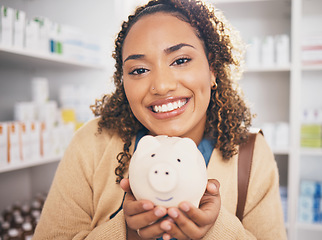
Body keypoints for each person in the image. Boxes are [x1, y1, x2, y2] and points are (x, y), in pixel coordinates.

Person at [33, 0, 287, 239]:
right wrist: (127, 231)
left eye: (181, 60)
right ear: (123, 83)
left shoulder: (251, 154)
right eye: (139, 70)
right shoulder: (91, 142)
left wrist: (215, 227)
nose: (162, 86)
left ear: (212, 69)